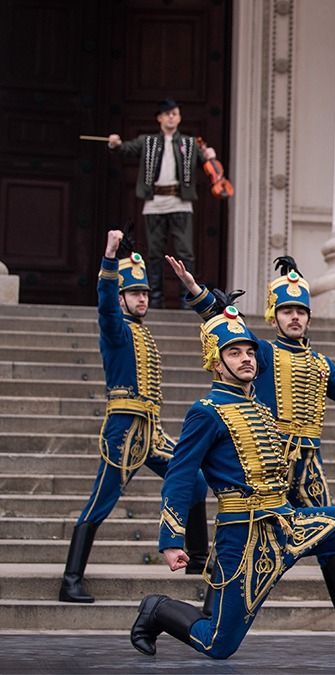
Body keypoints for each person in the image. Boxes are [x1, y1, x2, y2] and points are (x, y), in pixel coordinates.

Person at [169, 254, 335, 638]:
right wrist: (197, 293)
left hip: (309, 466)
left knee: (331, 545)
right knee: (237, 540)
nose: (294, 317)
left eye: (300, 310)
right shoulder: (260, 352)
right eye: (286, 310)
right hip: (266, 463)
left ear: (309, 317)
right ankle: (214, 616)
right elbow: (224, 327)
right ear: (273, 315)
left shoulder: (320, 364)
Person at [129, 306, 335, 660]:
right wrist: (171, 539)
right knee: (217, 644)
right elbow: (180, 476)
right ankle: (157, 608)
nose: (246, 358)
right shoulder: (206, 411)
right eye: (233, 352)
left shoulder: (259, 407)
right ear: (216, 362)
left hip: (288, 523)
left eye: (249, 352)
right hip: (245, 536)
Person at [60, 229, 208, 604]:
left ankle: (200, 559)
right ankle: (71, 579)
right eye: (134, 293)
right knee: (100, 501)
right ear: (122, 297)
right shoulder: (115, 329)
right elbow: (106, 305)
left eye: (144, 293)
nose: (142, 299)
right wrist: (109, 257)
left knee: (196, 481)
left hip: (151, 431)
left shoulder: (144, 332)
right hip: (123, 430)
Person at [107, 98, 218, 308]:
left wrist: (210, 156)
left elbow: (207, 162)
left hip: (180, 202)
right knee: (154, 251)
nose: (171, 117)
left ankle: (189, 298)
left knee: (185, 251)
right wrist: (115, 144)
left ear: (179, 117)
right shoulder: (147, 141)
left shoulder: (190, 143)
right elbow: (126, 149)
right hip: (155, 201)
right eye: (167, 114)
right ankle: (155, 297)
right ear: (160, 118)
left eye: (175, 113)